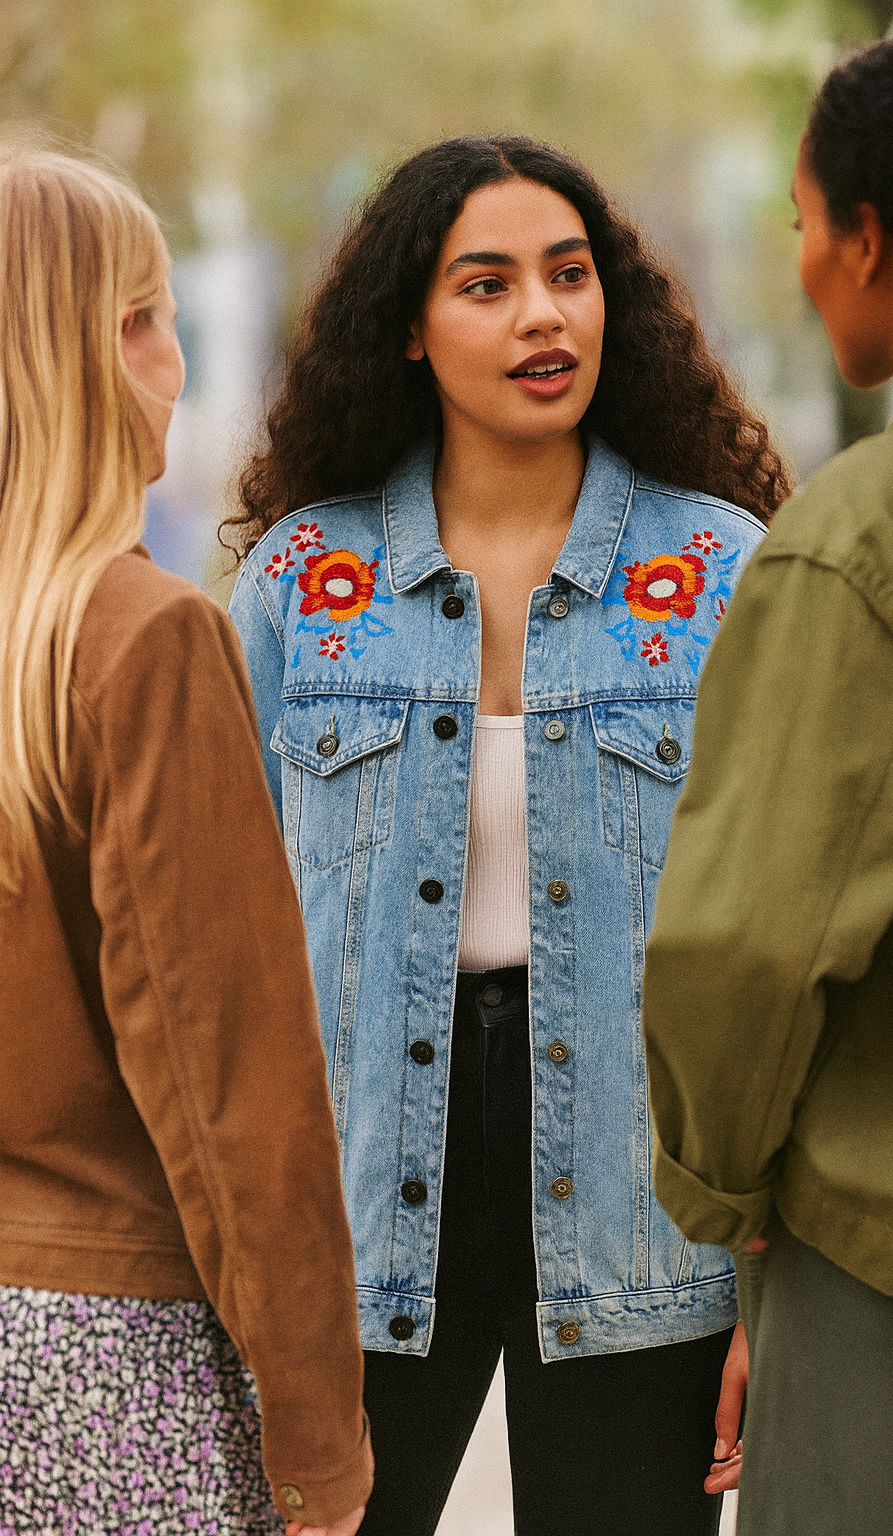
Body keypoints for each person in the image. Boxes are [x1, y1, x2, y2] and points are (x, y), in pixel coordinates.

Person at [225, 135, 789, 1536]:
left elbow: (793, 943)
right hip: (351, 1212)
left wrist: (773, 1296)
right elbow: (211, 944)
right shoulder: (305, 583)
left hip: (642, 1209)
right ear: (407, 332)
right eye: (487, 284)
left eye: (571, 275)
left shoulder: (725, 574)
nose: (543, 315)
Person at [642, 24, 893, 1536]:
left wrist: (720, 1203)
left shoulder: (875, 539)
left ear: (869, 241)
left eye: (803, 226)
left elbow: (745, 945)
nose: (802, 260)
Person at [0, 149, 372, 1535]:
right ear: (64, 353)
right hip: (100, 1364)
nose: (174, 357)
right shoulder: (144, 641)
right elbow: (231, 1082)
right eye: (143, 317)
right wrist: (319, 1440)